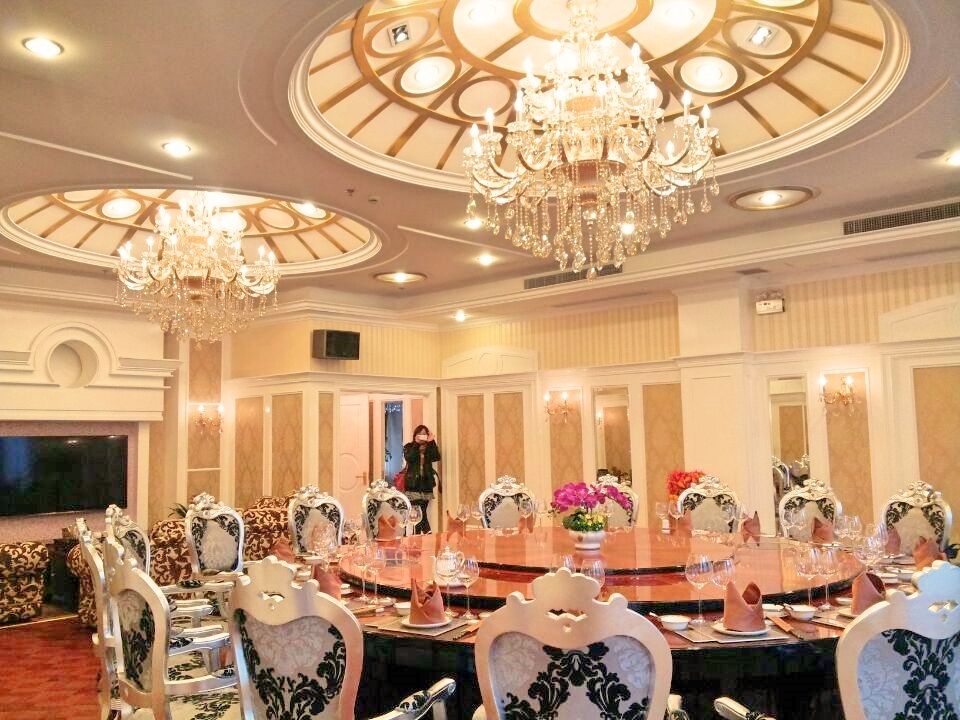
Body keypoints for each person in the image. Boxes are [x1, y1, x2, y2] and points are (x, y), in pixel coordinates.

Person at [403, 424, 440, 534]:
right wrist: (416, 444)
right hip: (413, 485)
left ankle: (418, 537)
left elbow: (436, 457)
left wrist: (432, 442)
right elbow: (409, 458)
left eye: (424, 434)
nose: (422, 436)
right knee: (419, 513)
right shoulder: (409, 446)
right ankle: (428, 534)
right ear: (415, 435)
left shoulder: (429, 447)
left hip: (426, 485)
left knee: (421, 512)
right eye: (420, 434)